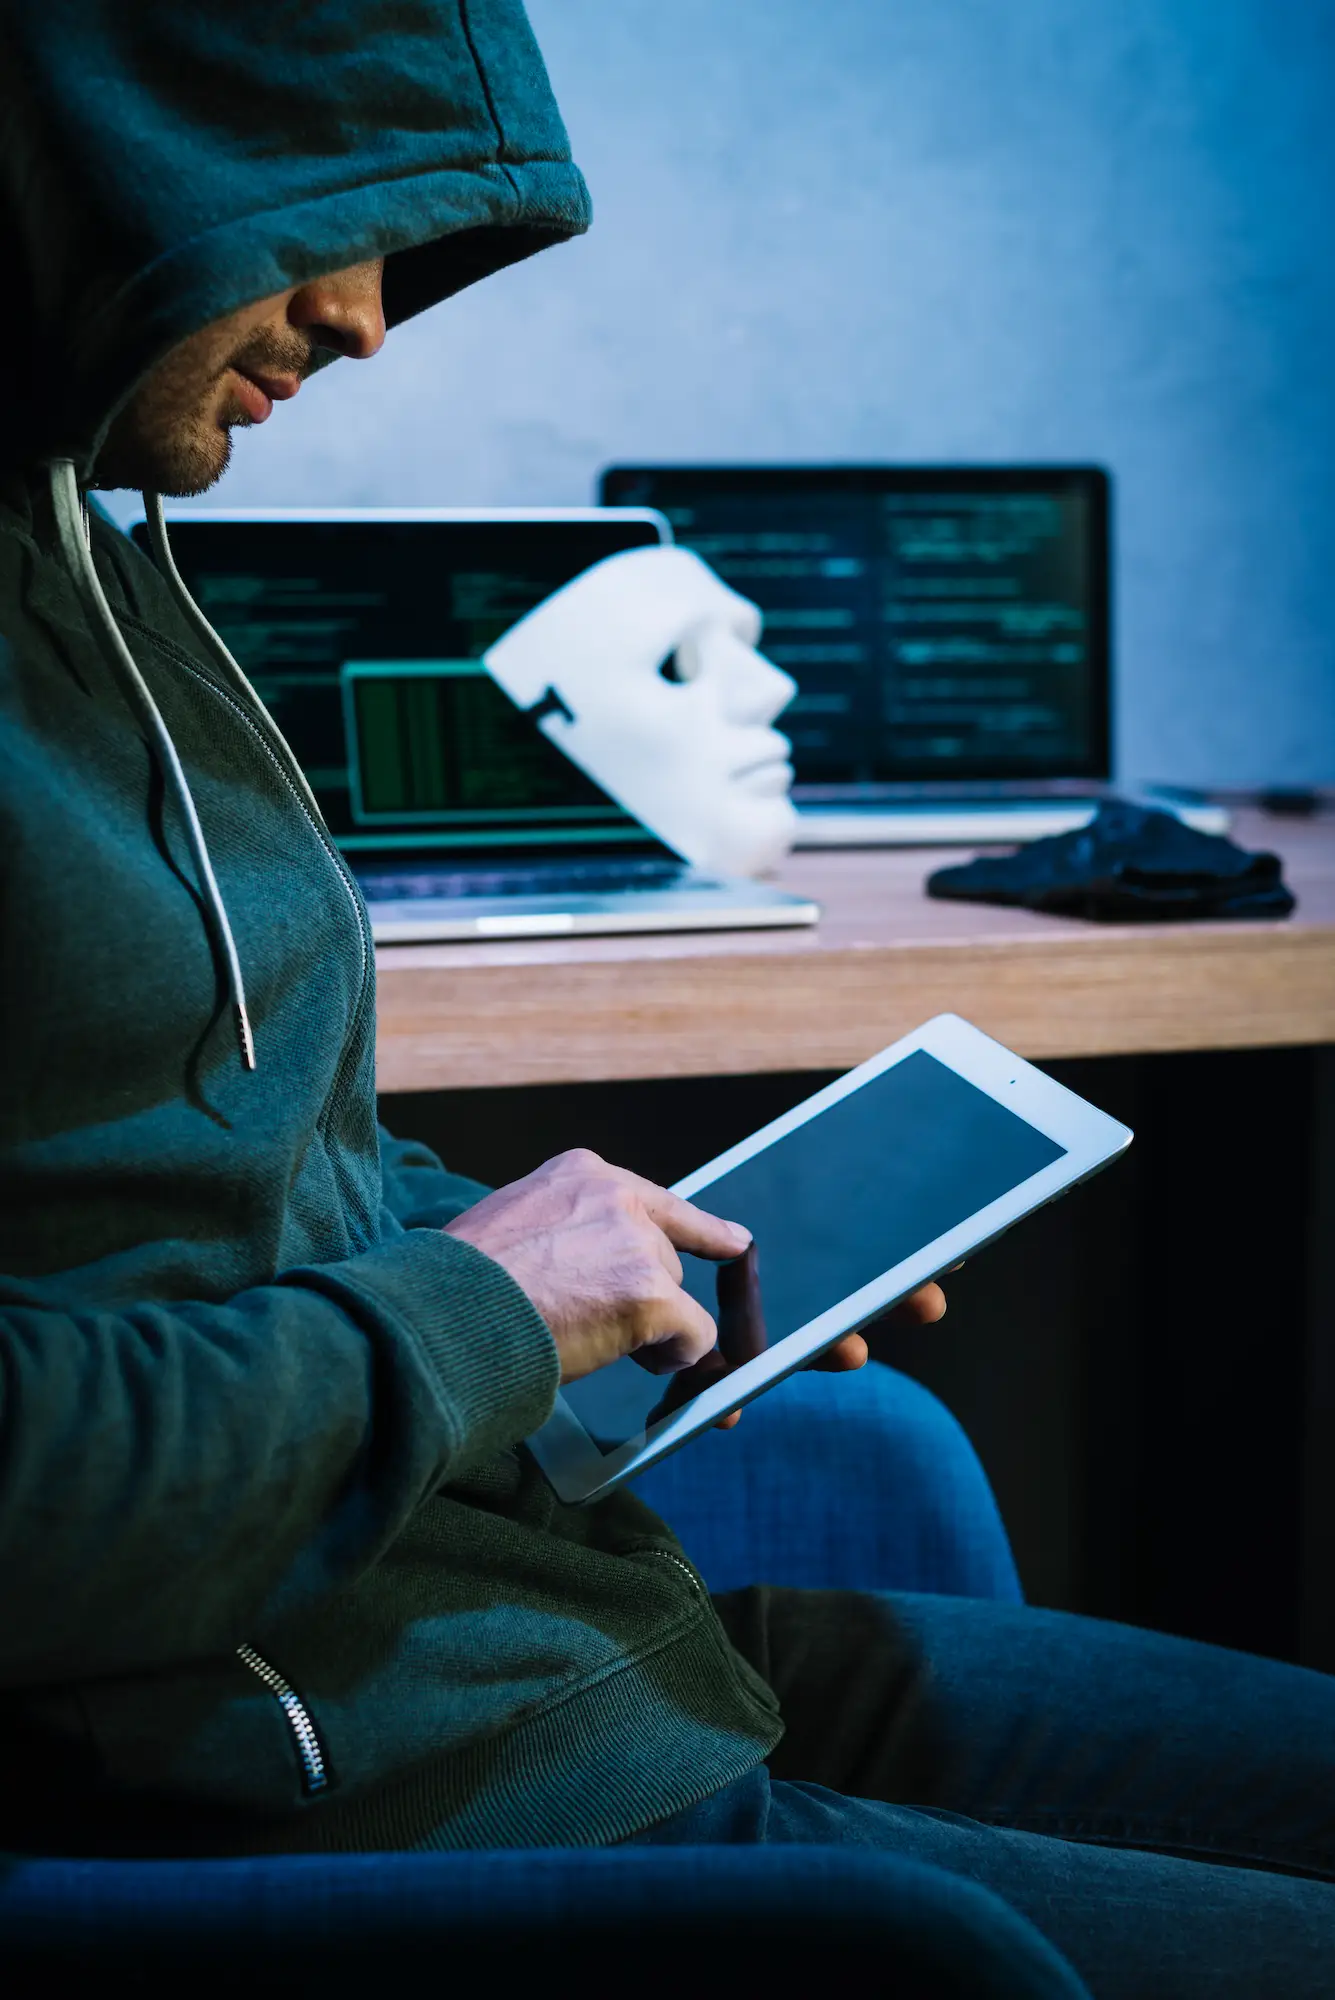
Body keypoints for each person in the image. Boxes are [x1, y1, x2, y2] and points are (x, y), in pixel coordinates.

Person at [1, 3, 1332, 1991]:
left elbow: (208, 1190)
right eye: (323, 222)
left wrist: (573, 1251)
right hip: (364, 1782)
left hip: (546, 1648)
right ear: (96, 144)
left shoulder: (81, 557)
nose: (370, 321)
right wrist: (478, 1306)